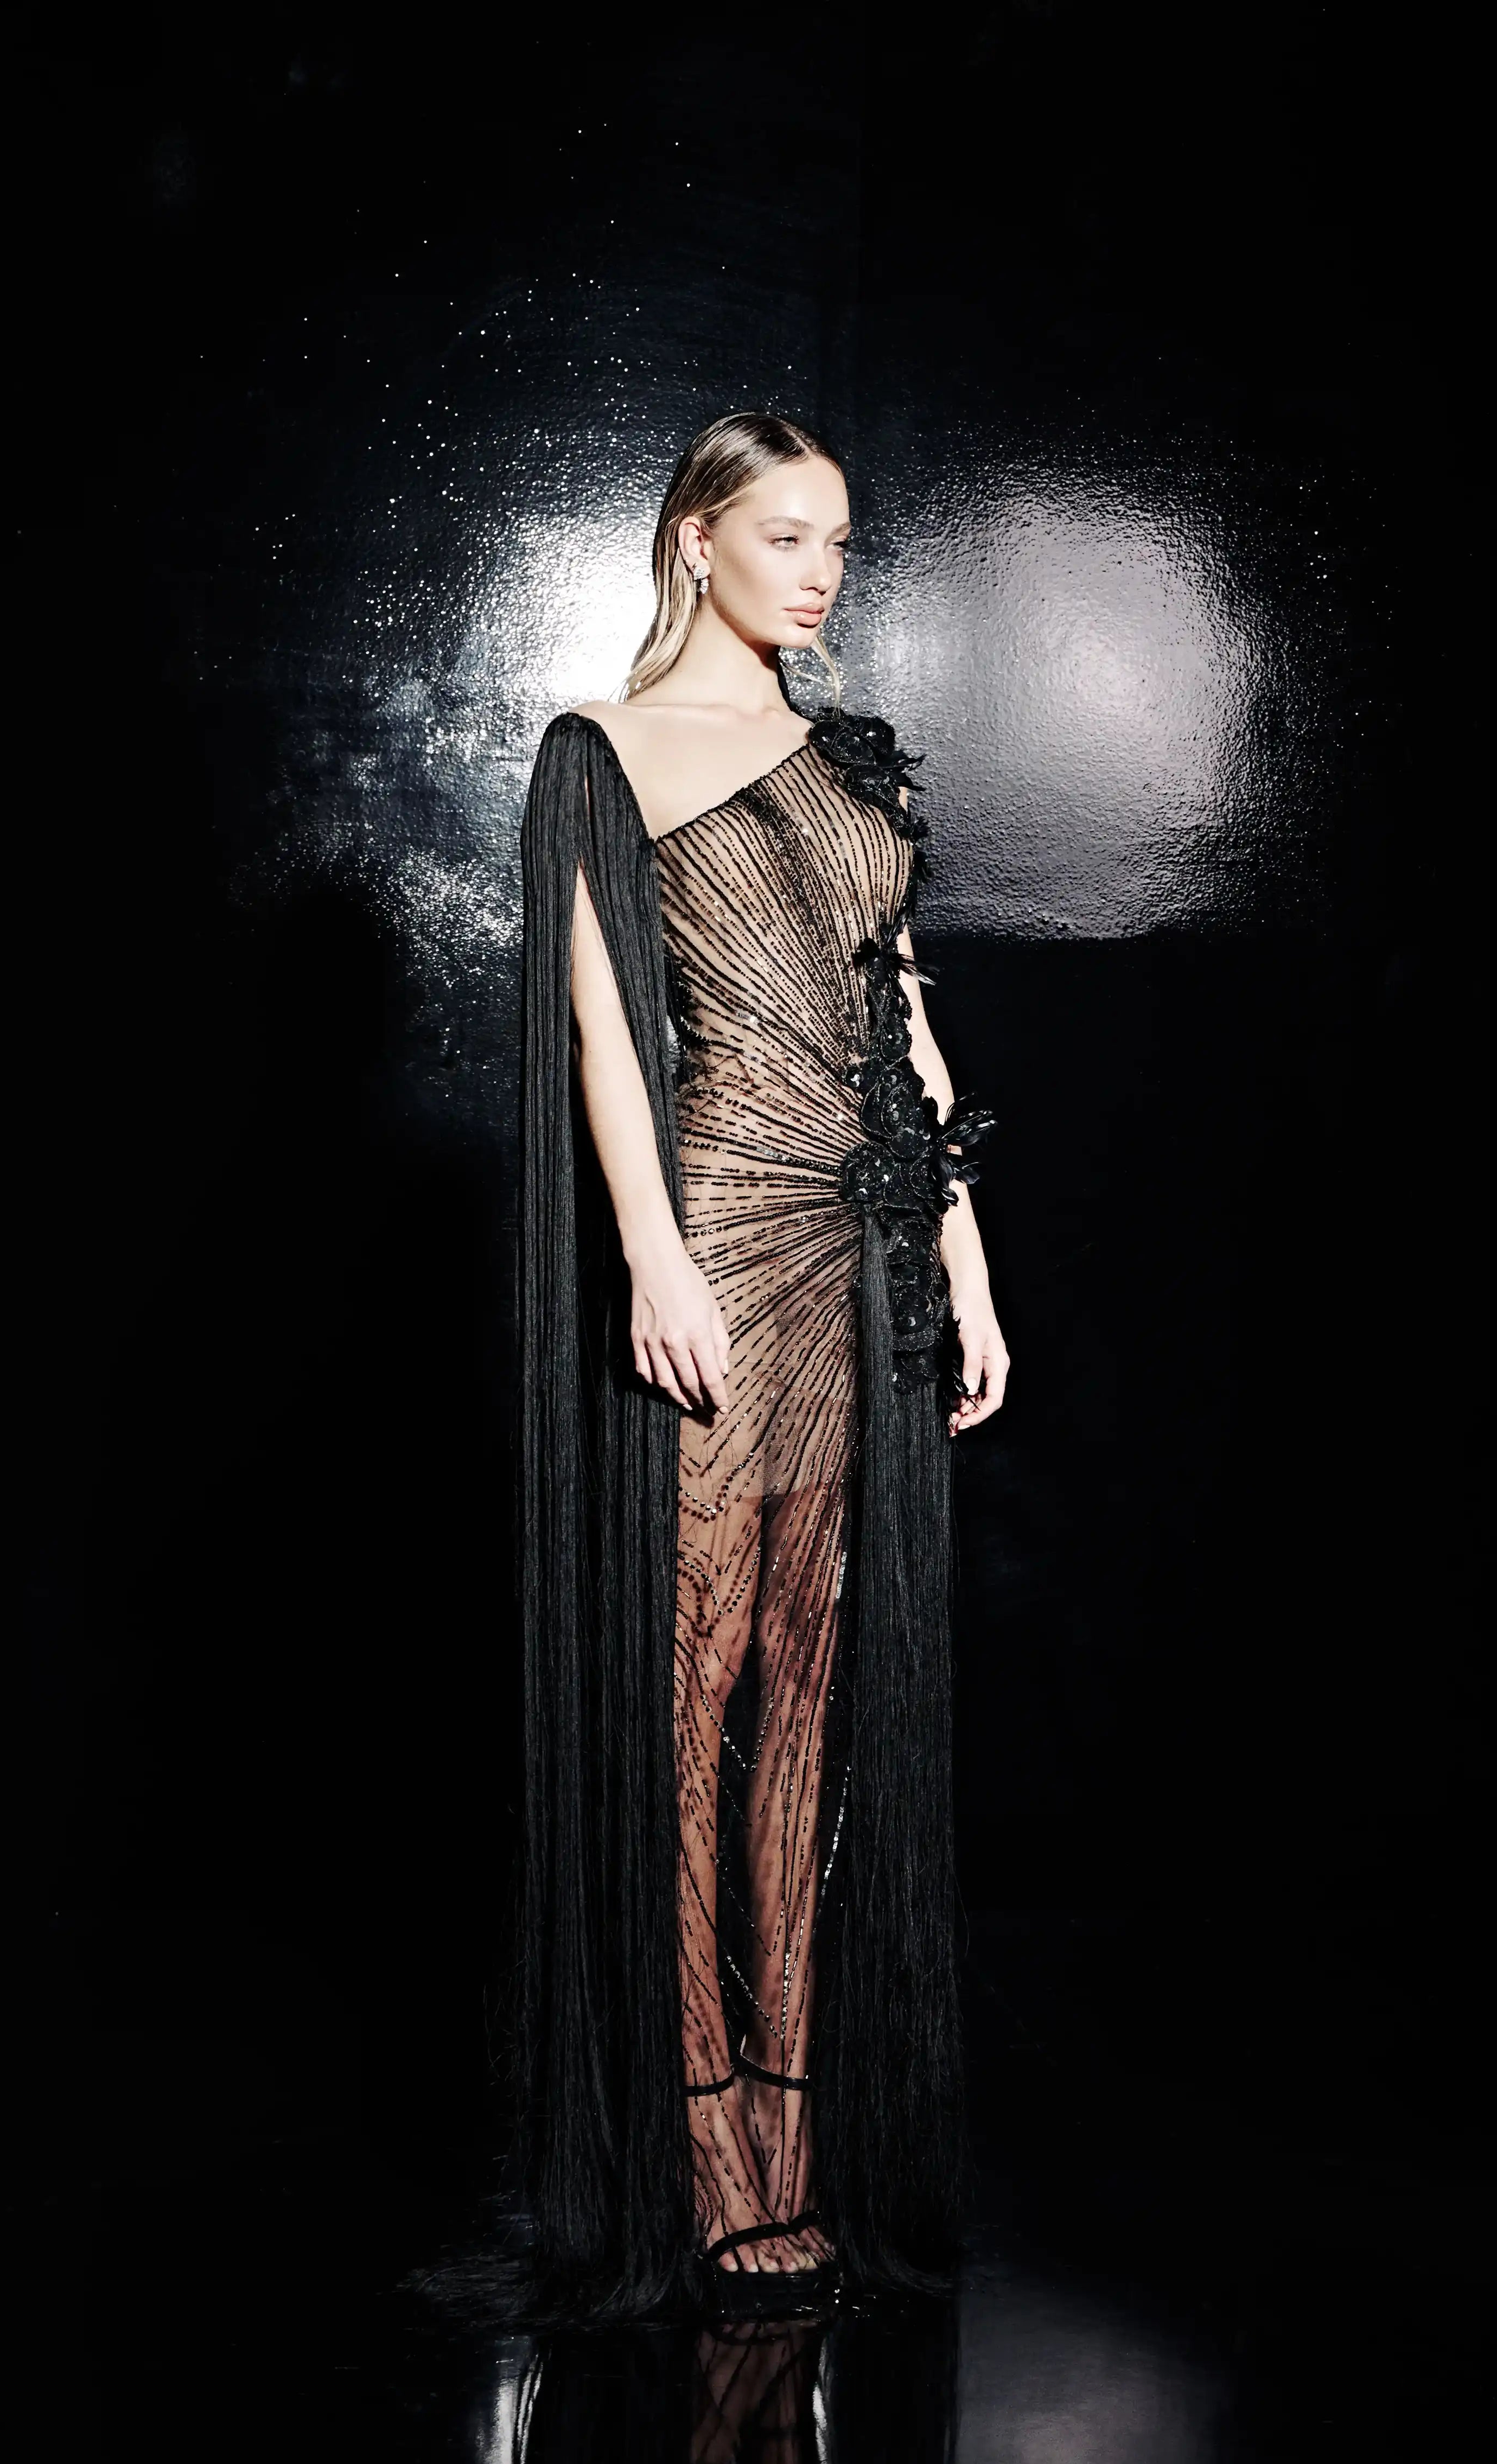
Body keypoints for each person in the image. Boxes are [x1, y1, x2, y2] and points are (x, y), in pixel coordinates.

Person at [514, 411, 1008, 2320]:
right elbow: (601, 1036)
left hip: (868, 1247)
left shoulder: (850, 758)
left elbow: (907, 1029)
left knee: (809, 1698)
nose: (821, 573)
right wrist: (651, 1252)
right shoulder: (603, 752)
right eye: (788, 535)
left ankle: (797, 2124)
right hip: (722, 1240)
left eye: (840, 543)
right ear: (696, 539)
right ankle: (701, 2138)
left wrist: (967, 1261)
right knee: (692, 1689)